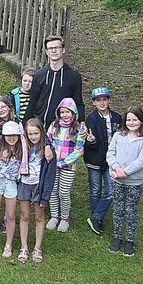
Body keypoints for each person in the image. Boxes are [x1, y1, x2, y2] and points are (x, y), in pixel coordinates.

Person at [107, 107, 143, 257]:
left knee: (130, 211)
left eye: (134, 119)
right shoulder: (118, 135)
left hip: (134, 182)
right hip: (116, 180)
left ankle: (130, 240)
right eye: (128, 119)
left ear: (141, 120)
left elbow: (141, 161)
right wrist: (116, 169)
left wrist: (124, 172)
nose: (131, 122)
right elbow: (110, 153)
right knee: (118, 209)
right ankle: (117, 237)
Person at [83, 86, 123, 235]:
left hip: (112, 161)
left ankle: (96, 217)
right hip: (95, 159)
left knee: (111, 191)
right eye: (98, 100)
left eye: (104, 99)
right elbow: (91, 143)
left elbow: (123, 136)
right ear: (93, 103)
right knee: (95, 190)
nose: (101, 103)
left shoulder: (117, 118)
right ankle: (97, 220)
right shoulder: (91, 119)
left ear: (109, 100)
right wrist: (92, 140)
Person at [45, 97, 87, 233]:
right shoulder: (53, 126)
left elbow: (79, 150)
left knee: (63, 192)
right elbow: (47, 141)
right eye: (62, 112)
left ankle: (64, 218)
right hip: (52, 165)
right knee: (52, 191)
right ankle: (54, 216)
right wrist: (50, 157)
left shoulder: (78, 129)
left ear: (74, 113)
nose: (65, 115)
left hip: (68, 166)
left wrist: (63, 163)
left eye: (68, 112)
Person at [22, 34, 85, 126]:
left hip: (61, 127)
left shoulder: (74, 76)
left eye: (57, 47)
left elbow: (78, 102)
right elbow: (32, 102)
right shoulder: (39, 75)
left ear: (63, 50)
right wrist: (25, 124)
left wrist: (81, 121)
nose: (54, 51)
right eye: (50, 48)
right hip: (39, 126)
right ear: (47, 52)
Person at [0, 121, 24, 259]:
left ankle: (8, 245)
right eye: (8, 135)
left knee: (11, 215)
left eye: (14, 135)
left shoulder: (22, 150)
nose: (11, 138)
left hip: (12, 184)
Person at [20, 118, 54, 263]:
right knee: (25, 216)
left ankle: (37, 248)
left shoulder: (48, 150)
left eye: (36, 133)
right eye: (30, 134)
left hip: (39, 187)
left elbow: (51, 175)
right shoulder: (22, 146)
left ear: (42, 133)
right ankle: (24, 247)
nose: (33, 137)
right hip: (24, 184)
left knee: (39, 217)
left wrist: (45, 196)